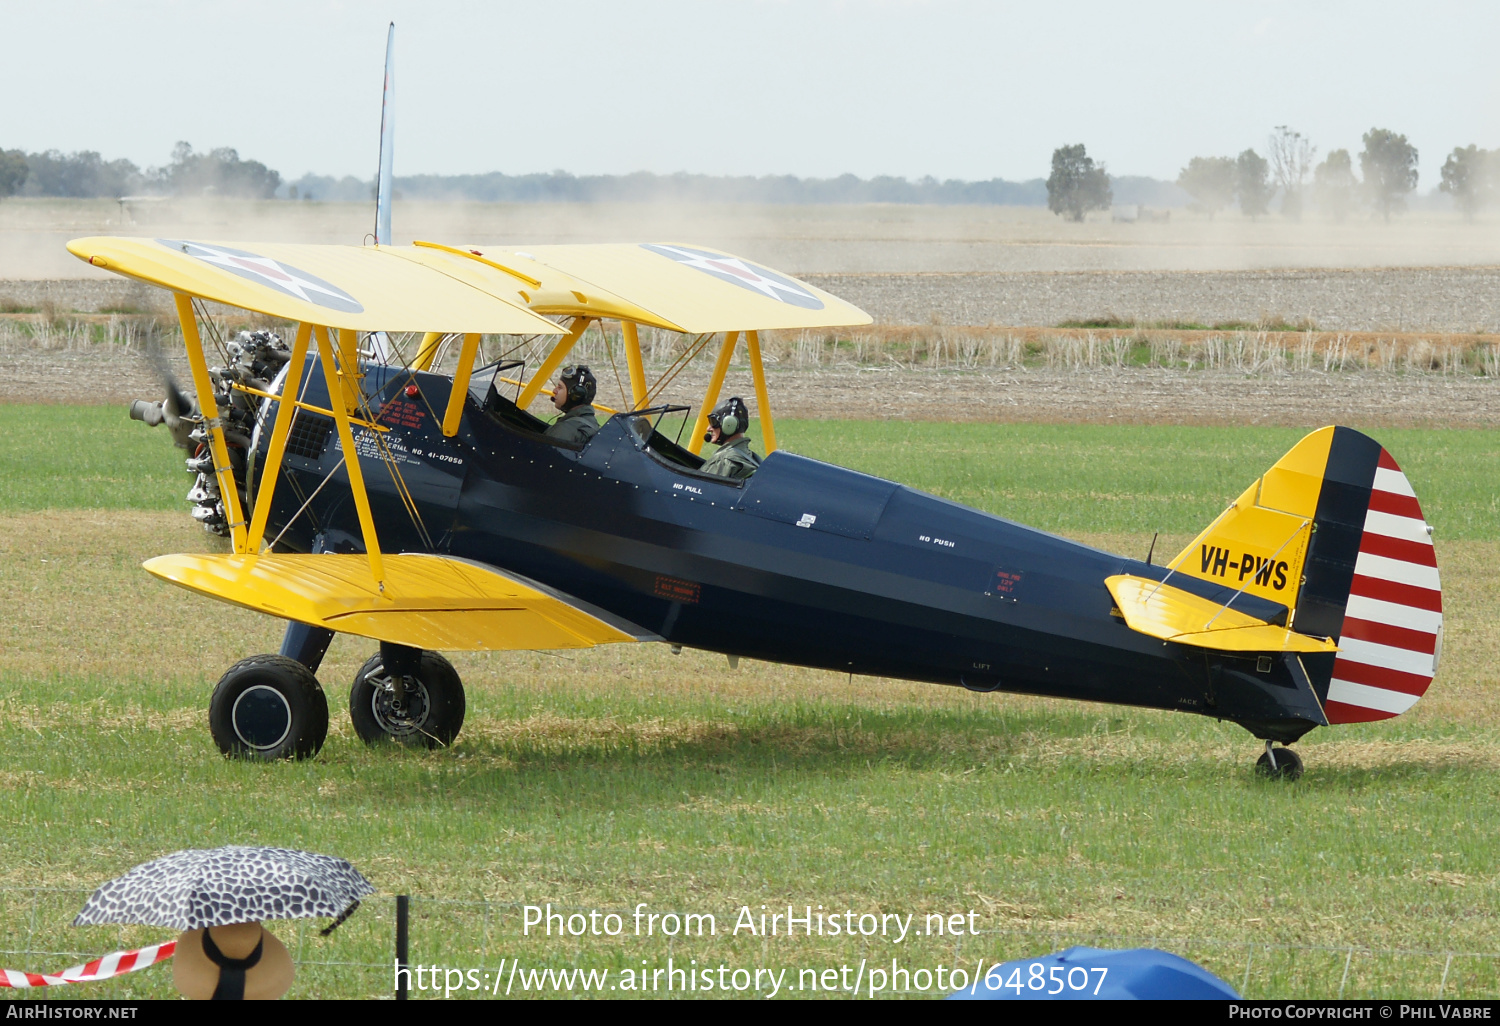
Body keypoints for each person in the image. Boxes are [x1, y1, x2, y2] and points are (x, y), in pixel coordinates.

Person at [699, 396, 761, 480]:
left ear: (729, 424)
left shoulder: (723, 461)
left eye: (713, 422)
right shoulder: (752, 458)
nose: (708, 428)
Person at [543, 364, 600, 445]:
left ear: (576, 395)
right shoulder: (591, 423)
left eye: (560, 387)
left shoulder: (564, 431)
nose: (554, 391)